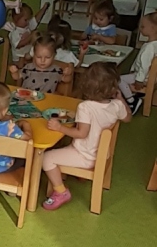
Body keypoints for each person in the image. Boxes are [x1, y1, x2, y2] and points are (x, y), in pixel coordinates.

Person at [41, 62, 131, 210]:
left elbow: (81, 134)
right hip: (102, 155)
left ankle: (61, 191)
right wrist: (120, 99)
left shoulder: (85, 107)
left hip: (85, 155)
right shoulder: (117, 105)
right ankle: (78, 176)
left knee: (46, 157)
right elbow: (127, 118)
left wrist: (60, 127)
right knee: (64, 147)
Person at [119, 12, 157, 113]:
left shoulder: (149, 47)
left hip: (144, 77)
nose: (140, 28)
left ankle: (131, 101)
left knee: (119, 79)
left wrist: (139, 80)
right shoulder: (154, 44)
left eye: (143, 26)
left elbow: (144, 66)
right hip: (152, 77)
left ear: (153, 29)